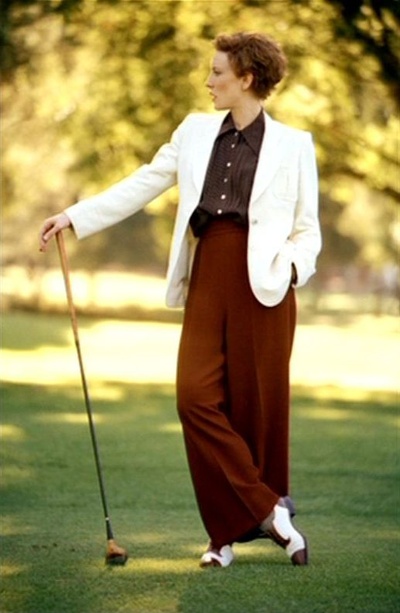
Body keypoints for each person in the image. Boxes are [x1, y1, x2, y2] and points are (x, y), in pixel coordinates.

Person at [39, 31, 321, 568]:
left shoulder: (294, 145)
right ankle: (269, 510)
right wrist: (75, 217)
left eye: (218, 72)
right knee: (194, 398)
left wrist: (290, 268)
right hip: (209, 269)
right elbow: (143, 182)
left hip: (265, 287)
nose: (208, 81)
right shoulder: (194, 132)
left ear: (247, 78)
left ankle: (222, 541)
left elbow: (308, 230)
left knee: (254, 407)